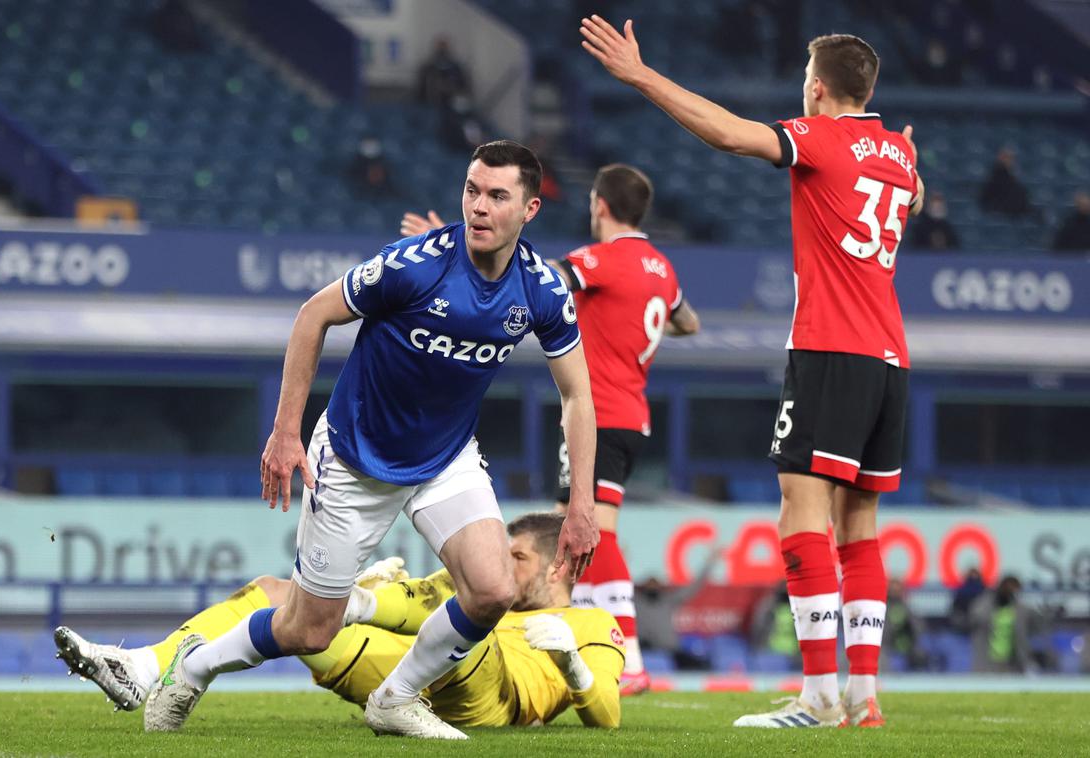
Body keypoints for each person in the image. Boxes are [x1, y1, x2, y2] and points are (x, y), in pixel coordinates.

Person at [132, 140, 598, 740]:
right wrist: (285, 432)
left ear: (530, 209)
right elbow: (312, 316)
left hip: (445, 457)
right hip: (357, 457)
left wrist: (580, 503)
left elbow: (578, 396)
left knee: (493, 590)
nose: (478, 207)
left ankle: (396, 699)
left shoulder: (541, 290)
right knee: (309, 629)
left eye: (497, 196)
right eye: (471, 190)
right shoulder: (414, 265)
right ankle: (193, 666)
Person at [581, 17, 924, 729]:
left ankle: (818, 696)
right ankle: (863, 700)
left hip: (831, 349)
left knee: (801, 510)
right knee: (860, 523)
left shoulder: (821, 136)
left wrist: (642, 77)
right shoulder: (898, 154)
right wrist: (908, 176)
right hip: (892, 355)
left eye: (805, 81)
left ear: (819, 88)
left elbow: (729, 133)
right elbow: (913, 197)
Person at [401, 164, 700, 695]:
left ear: (600, 206)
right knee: (573, 531)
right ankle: (589, 638)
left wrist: (451, 253)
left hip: (600, 413)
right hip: (636, 415)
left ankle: (626, 656)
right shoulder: (661, 267)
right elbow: (687, 322)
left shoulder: (600, 260)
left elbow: (544, 279)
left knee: (590, 532)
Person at [54, 513, 623, 729]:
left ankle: (364, 603)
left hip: (495, 698)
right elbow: (430, 602)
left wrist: (573, 668)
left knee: (468, 599)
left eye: (518, 557)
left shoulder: (592, 626)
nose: (506, 564)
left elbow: (608, 719)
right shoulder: (481, 586)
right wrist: (369, 590)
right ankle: (145, 668)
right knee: (282, 598)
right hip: (411, 678)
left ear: (559, 566)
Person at [978, 147, 1030, 218]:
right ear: (999, 159)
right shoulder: (995, 177)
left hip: (1013, 213)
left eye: (1010, 158)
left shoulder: (1013, 177)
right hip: (1000, 213)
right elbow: (986, 199)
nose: (1009, 160)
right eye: (1005, 157)